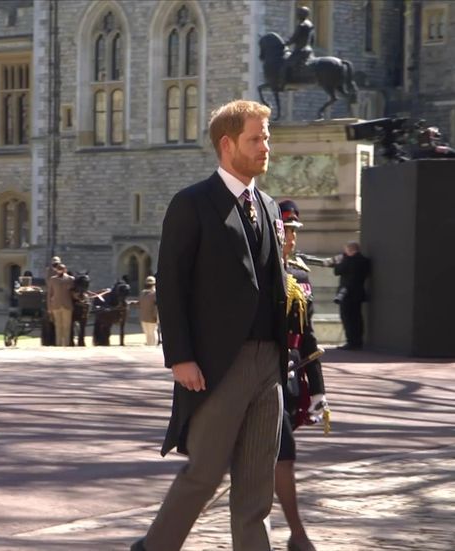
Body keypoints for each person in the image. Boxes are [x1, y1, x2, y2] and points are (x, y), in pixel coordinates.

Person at [132, 100, 287, 551]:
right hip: (219, 364)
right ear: (227, 144)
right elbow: (172, 286)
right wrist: (179, 356)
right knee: (204, 473)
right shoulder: (192, 203)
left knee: (257, 487)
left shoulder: (271, 208)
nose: (265, 147)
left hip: (268, 363)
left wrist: (285, 358)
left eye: (267, 138)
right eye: (255, 139)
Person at [275, 200, 328, 551]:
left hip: (290, 377)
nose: (291, 239)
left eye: (294, 232)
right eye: (286, 231)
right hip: (255, 373)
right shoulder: (254, 269)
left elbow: (307, 336)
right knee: (280, 454)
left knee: (277, 455)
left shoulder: (300, 274)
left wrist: (319, 389)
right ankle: (298, 535)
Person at [328, 241, 370, 350]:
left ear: (350, 250)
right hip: (358, 293)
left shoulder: (348, 261)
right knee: (357, 318)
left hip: (346, 294)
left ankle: (351, 341)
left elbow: (337, 271)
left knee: (347, 318)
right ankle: (358, 341)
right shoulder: (364, 261)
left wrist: (338, 261)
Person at [47, 263, 75, 347]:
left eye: (62, 269)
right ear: (56, 270)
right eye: (58, 269)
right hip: (56, 305)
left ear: (65, 270)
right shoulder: (53, 279)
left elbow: (74, 292)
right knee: (58, 326)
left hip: (67, 305)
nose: (60, 271)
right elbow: (50, 294)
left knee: (67, 325)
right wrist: (49, 307)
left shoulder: (70, 279)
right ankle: (58, 343)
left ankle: (66, 343)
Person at [284, 6, 315, 73]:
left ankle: (282, 81)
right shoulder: (310, 24)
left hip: (300, 50)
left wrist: (285, 43)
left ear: (301, 14)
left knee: (285, 64)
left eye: (298, 13)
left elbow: (294, 38)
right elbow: (312, 39)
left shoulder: (302, 25)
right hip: (309, 50)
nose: (297, 15)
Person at [139, 275, 159, 346]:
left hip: (150, 317)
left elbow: (156, 306)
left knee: (152, 333)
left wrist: (156, 317)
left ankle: (152, 346)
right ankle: (150, 345)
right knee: (148, 334)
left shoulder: (155, 293)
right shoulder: (143, 293)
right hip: (145, 317)